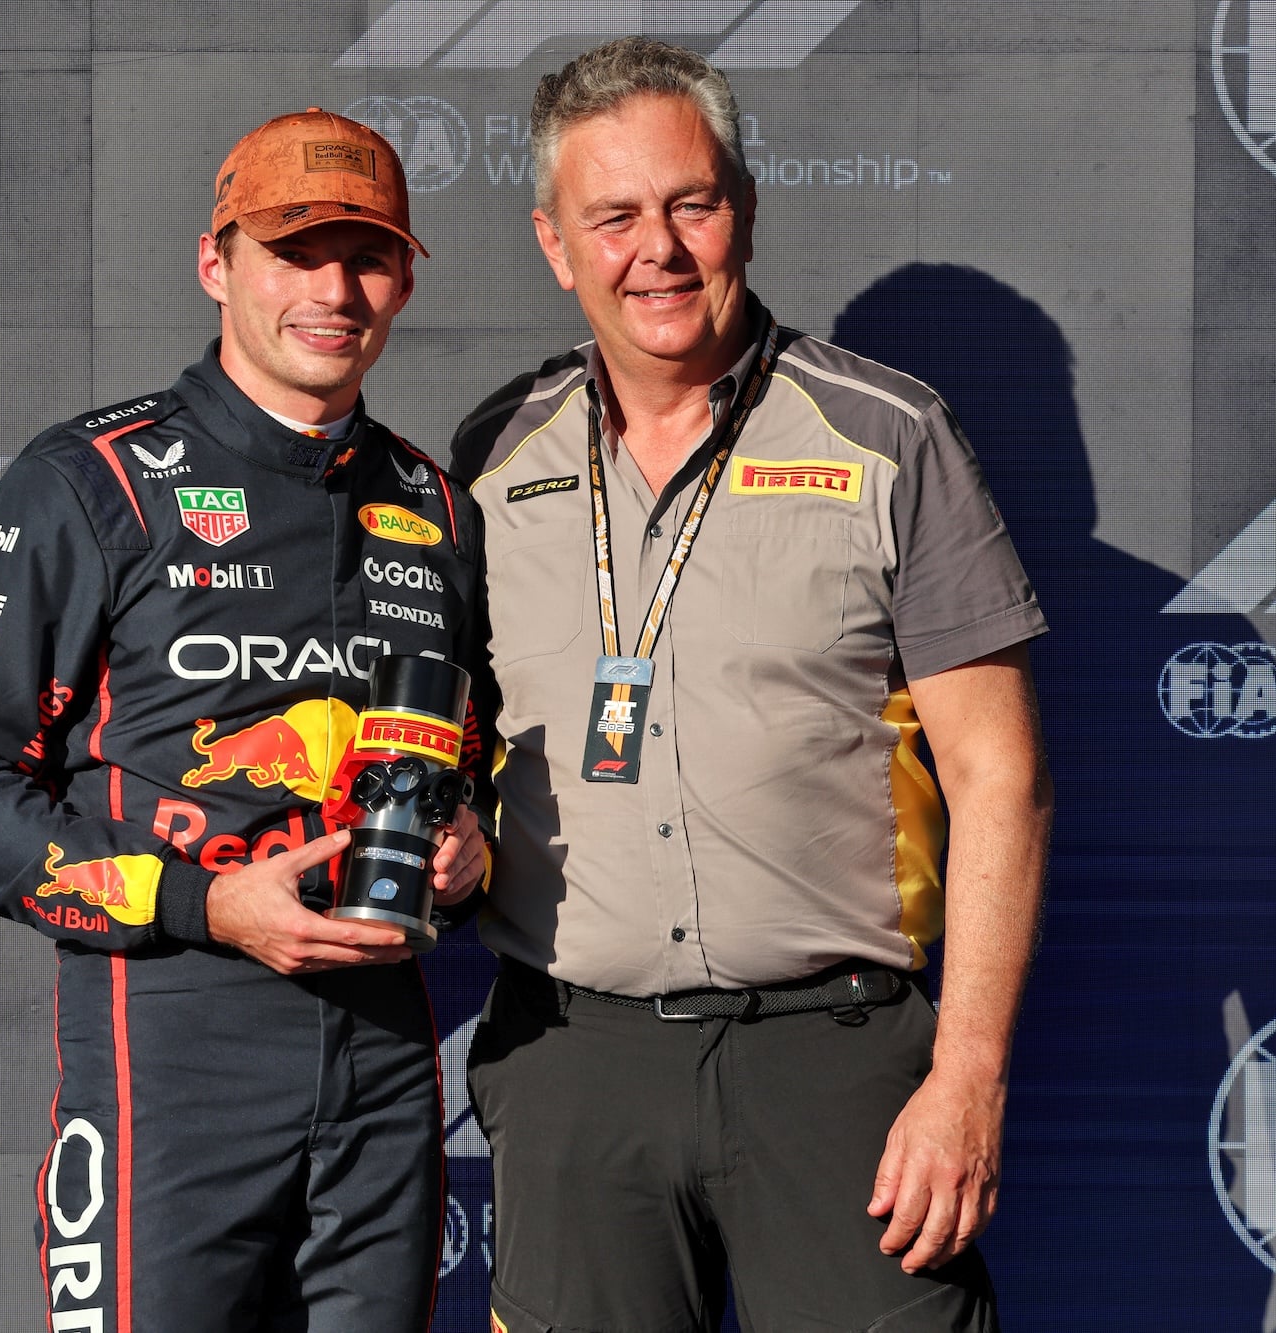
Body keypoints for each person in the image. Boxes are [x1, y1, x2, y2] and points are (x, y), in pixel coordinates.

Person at [450, 38, 1051, 1333]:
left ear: (747, 208)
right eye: (611, 216)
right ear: (555, 244)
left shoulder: (889, 436)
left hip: (833, 1064)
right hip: (572, 1063)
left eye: (691, 204)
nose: (654, 250)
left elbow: (1002, 782)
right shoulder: (490, 457)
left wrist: (970, 1078)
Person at [0, 107, 495, 1332]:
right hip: (171, 1039)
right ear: (215, 264)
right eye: (294, 249)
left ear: (406, 280)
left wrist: (473, 847)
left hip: (384, 1055)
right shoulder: (91, 480)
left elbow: (468, 762)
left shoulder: (431, 501)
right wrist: (198, 902)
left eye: (367, 255)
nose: (334, 287)